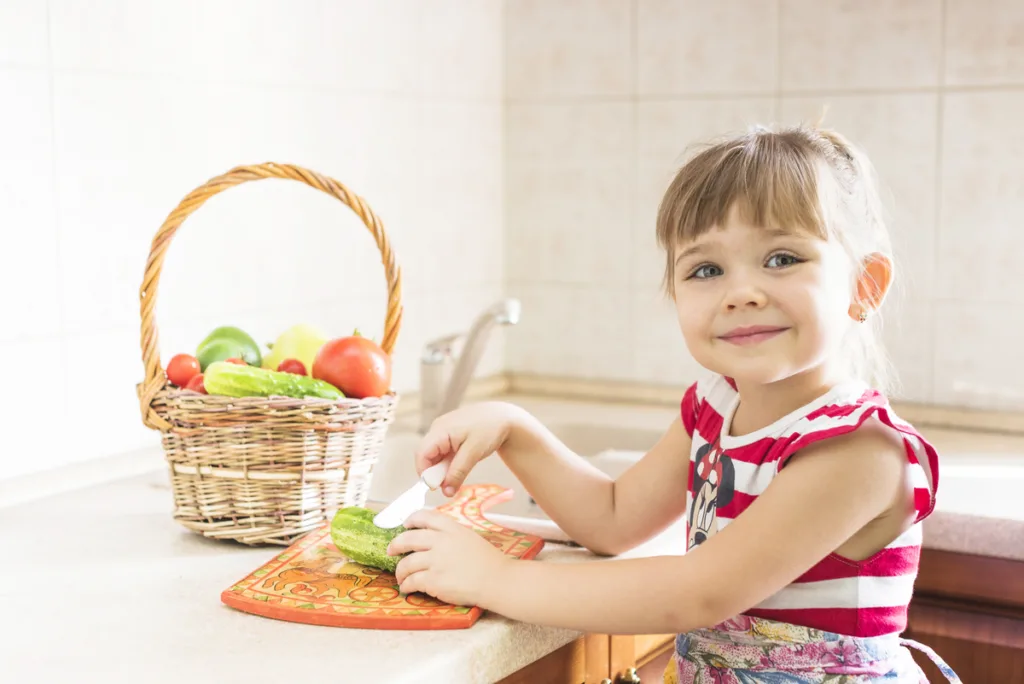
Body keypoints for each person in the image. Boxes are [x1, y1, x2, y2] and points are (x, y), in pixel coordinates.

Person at [385, 123, 960, 683]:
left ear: (865, 285)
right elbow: (611, 520)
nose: (741, 293)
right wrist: (515, 430)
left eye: (782, 258)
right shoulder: (715, 406)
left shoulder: (857, 450)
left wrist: (495, 579)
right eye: (707, 269)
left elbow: (698, 593)